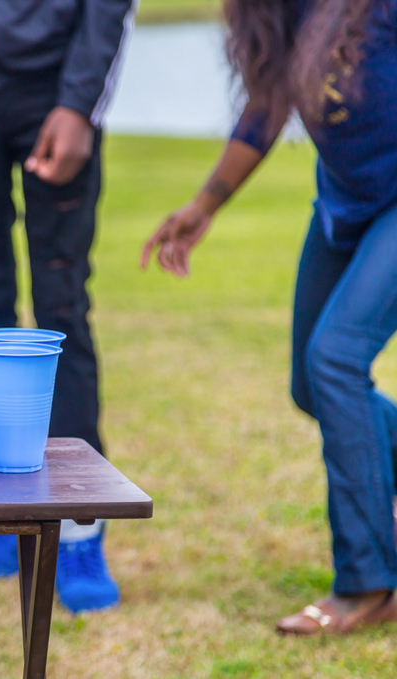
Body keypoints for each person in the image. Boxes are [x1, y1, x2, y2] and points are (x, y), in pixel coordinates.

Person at [142, 0, 397, 635]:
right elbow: (264, 110)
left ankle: (367, 583)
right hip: (346, 205)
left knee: (335, 359)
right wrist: (204, 207)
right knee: (312, 387)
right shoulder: (277, 12)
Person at [0, 0, 135, 613]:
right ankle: (1, 516)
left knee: (60, 309)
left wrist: (78, 103)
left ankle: (78, 528)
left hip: (51, 86)